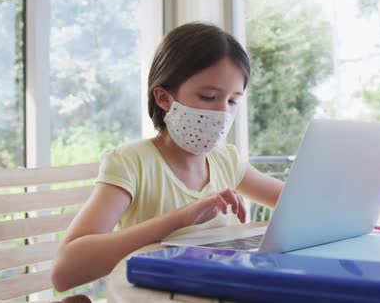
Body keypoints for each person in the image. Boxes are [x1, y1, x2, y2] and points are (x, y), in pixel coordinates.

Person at [51, 22, 284, 292]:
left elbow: (295, 204)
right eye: (208, 96)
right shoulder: (130, 163)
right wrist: (180, 218)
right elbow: (64, 271)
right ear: (163, 98)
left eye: (232, 101)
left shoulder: (226, 161)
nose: (223, 114)